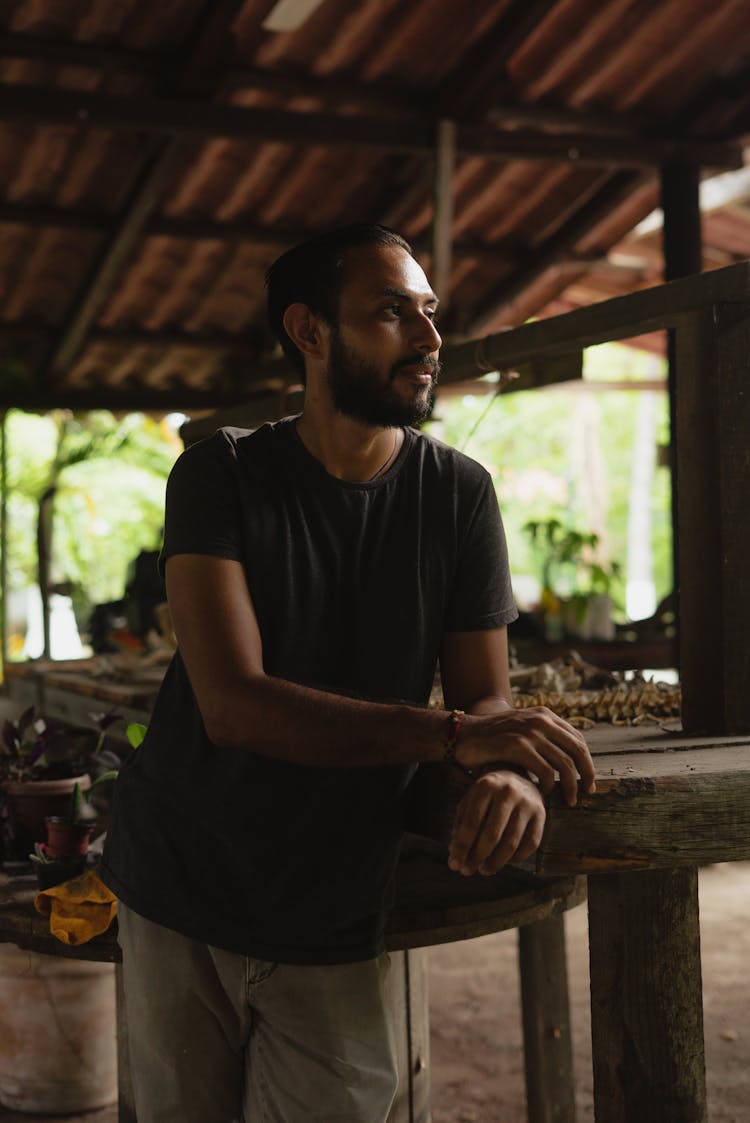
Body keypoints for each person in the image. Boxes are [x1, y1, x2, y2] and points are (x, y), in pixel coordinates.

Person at [101, 224, 595, 1123]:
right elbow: (233, 706)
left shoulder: (459, 494)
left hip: (333, 894)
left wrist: (511, 766)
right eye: (392, 311)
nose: (429, 339)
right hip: (184, 876)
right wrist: (456, 735)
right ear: (311, 332)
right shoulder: (222, 473)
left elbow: (487, 696)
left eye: (431, 313)